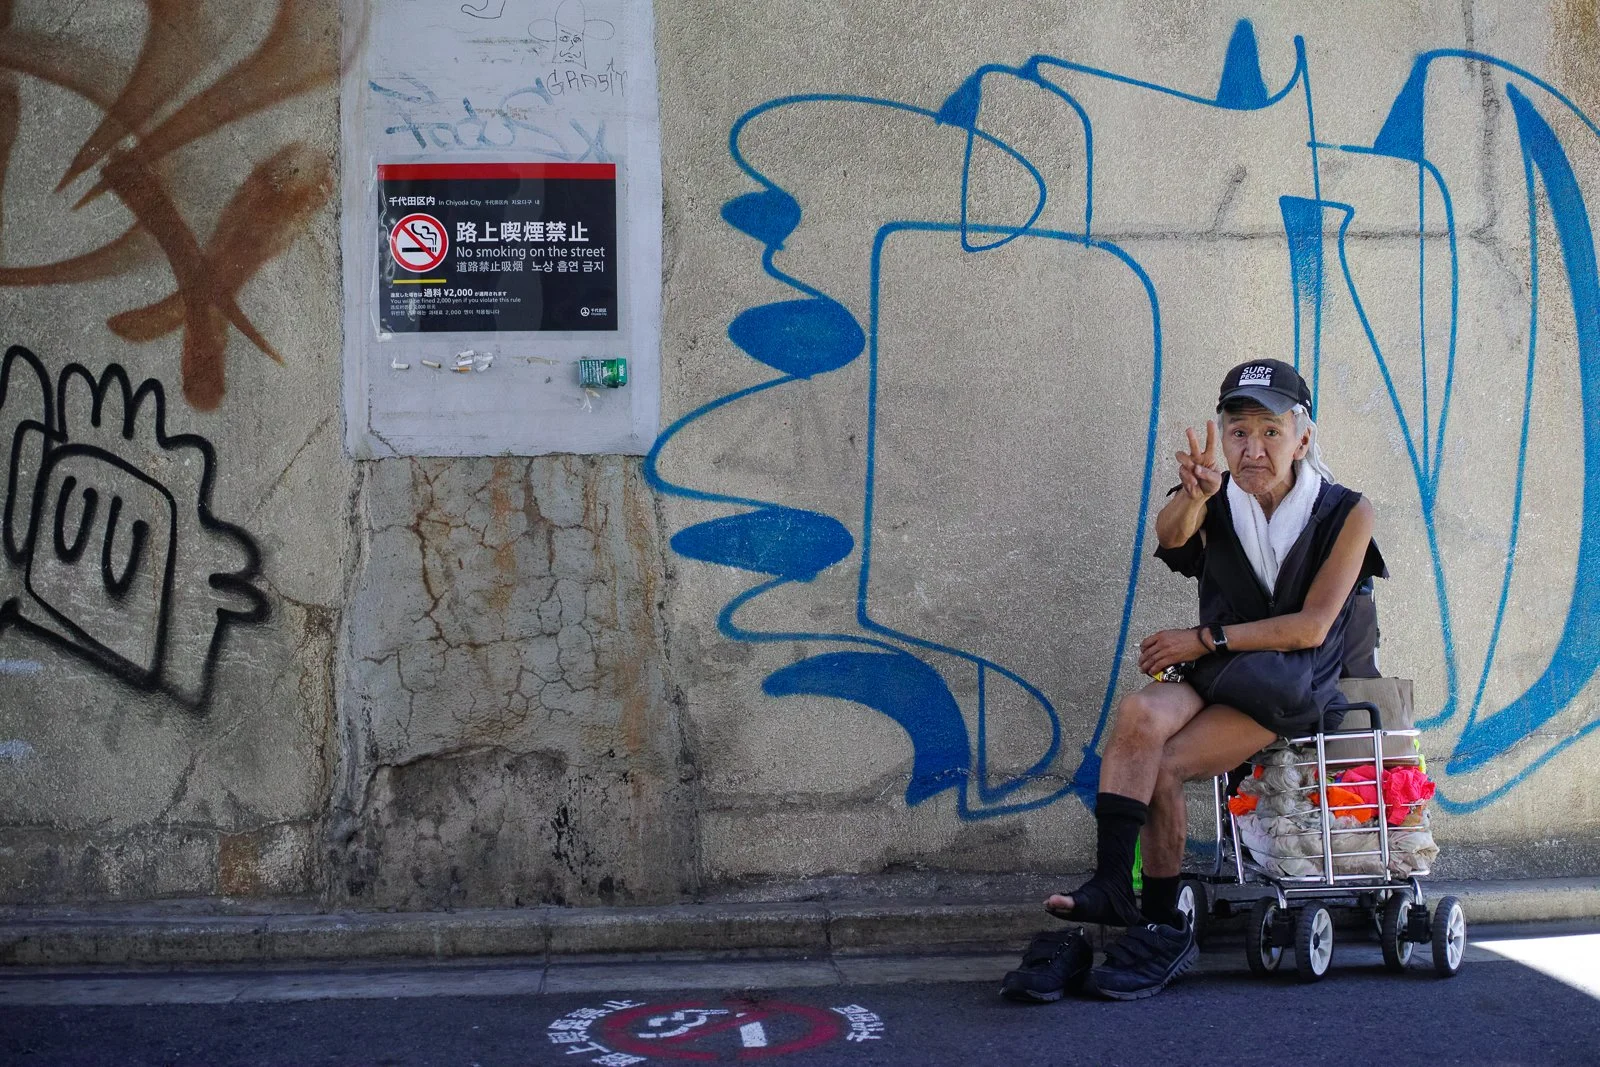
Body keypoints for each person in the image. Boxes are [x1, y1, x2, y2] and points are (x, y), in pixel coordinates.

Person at [1009, 359, 1385, 1003]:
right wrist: (1194, 497)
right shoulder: (1216, 496)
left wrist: (1204, 638)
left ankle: (1160, 921)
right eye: (1238, 432)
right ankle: (1111, 884)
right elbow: (1170, 534)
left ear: (1302, 437)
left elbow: (1312, 627)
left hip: (1286, 685)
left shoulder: (1347, 511)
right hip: (1219, 671)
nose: (1252, 449)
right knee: (1139, 714)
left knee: (1165, 764)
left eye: (1270, 431)